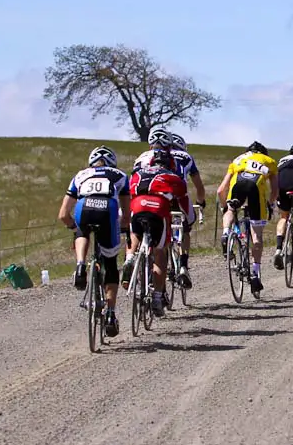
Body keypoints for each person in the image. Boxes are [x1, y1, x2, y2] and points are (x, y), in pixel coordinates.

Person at [58, 146, 131, 337]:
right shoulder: (120, 175)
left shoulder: (80, 175)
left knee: (81, 231)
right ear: (112, 162)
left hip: (84, 207)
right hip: (108, 209)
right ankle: (110, 314)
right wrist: (124, 229)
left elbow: (63, 215)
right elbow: (126, 214)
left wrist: (75, 229)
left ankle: (80, 265)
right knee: (111, 265)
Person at [123, 148, 190, 317]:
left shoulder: (137, 173)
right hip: (158, 210)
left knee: (135, 235)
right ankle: (157, 298)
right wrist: (189, 220)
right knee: (161, 252)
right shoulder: (174, 177)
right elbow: (185, 206)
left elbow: (128, 193)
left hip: (137, 206)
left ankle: (129, 259)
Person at [217, 141, 279, 294]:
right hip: (255, 190)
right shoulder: (269, 161)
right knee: (256, 237)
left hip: (237, 186)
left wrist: (225, 208)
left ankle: (226, 233)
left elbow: (220, 190)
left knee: (231, 209)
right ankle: (255, 273)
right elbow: (275, 189)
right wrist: (270, 205)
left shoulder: (237, 160)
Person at [168, 132, 206, 288]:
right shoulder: (186, 157)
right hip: (179, 196)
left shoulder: (157, 153)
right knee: (186, 229)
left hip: (156, 194)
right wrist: (200, 202)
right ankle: (183, 265)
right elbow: (199, 187)